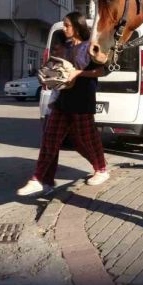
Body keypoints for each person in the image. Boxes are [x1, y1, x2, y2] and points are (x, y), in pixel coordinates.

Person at [18, 12, 109, 197]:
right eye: (65, 25)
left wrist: (79, 73)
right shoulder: (63, 47)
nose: (65, 28)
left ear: (77, 26)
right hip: (61, 100)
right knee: (50, 140)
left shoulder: (89, 47)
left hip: (82, 100)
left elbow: (103, 71)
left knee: (86, 139)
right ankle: (39, 179)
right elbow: (56, 71)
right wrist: (50, 87)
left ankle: (101, 168)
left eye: (68, 25)